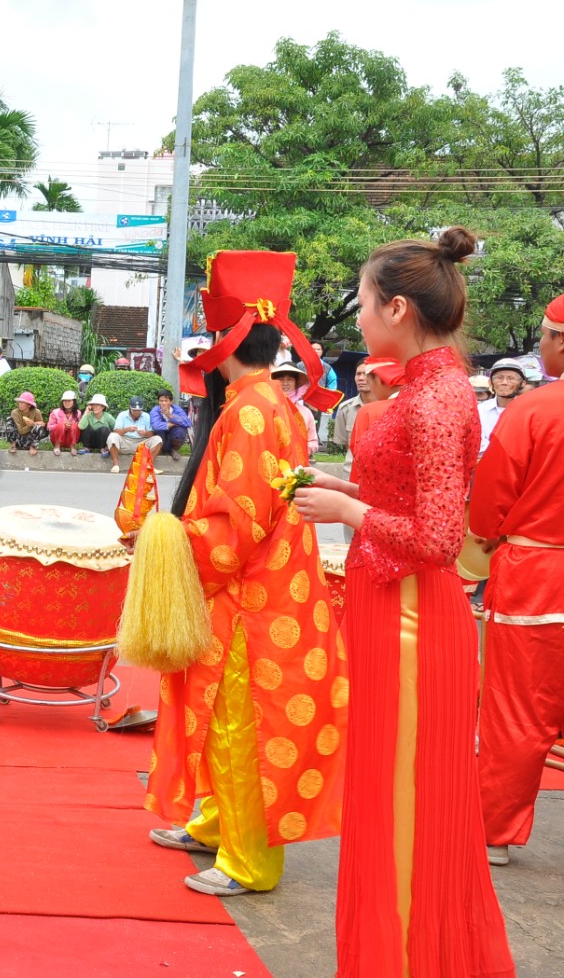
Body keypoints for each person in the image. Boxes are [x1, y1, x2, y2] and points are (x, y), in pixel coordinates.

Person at [291, 228, 514, 974]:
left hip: (415, 615)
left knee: (405, 808)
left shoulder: (436, 397)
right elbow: (409, 499)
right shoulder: (426, 387)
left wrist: (348, 515)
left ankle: (412, 958)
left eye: (359, 303)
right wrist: (345, 492)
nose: (355, 317)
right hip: (392, 607)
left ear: (394, 307)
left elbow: (440, 538)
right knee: (391, 803)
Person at [146, 249, 345, 901]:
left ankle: (248, 861)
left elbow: (237, 528)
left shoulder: (251, 410)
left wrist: (171, 544)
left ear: (227, 340)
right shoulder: (269, 403)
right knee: (219, 720)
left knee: (237, 726)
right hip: (268, 594)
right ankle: (214, 824)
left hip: (249, 604)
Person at [474, 293, 564, 870]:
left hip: (538, 575)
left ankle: (496, 832)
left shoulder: (533, 410)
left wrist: (487, 534)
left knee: (517, 711)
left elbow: (489, 501)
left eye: (544, 334)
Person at [344, 357, 404, 488]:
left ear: (378, 379)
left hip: (375, 490)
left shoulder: (369, 411)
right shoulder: (426, 406)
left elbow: (359, 457)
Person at [478, 357, 526, 457]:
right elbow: (479, 444)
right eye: (499, 377)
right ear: (491, 383)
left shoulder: (528, 411)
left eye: (511, 378)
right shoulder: (480, 410)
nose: (504, 382)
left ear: (522, 384)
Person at [270, 359, 319, 456]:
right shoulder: (268, 407)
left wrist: (298, 450)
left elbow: (313, 442)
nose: (285, 383)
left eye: (290, 379)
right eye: (281, 379)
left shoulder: (305, 412)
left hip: (298, 466)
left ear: (297, 383)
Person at [107, 396, 162, 473]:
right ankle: (116, 465)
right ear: (130, 408)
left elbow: (151, 434)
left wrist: (145, 433)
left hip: (141, 442)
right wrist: (127, 429)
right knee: (112, 436)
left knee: (158, 439)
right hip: (125, 441)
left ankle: (148, 465)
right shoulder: (122, 415)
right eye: (134, 410)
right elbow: (116, 431)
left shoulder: (146, 416)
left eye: (139, 410)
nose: (136, 412)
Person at [330, 361, 372, 458]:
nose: (361, 378)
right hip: (351, 469)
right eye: (358, 374)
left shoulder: (389, 407)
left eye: (366, 374)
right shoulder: (345, 408)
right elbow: (345, 443)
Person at [149, 389, 192, 460]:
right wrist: (171, 424)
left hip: (172, 437)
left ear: (171, 402)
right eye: (161, 401)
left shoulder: (177, 409)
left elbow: (187, 422)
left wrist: (171, 416)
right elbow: (155, 425)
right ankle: (160, 449)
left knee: (181, 430)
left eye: (166, 401)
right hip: (162, 437)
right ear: (158, 402)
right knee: (158, 430)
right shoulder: (155, 410)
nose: (163, 403)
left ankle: (173, 450)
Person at [1, 391, 47, 455]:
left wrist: (33, 424)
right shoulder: (15, 412)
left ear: (29, 405)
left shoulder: (36, 412)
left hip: (31, 439)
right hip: (18, 439)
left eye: (22, 403)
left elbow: (42, 424)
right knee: (9, 421)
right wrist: (30, 425)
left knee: (39, 427)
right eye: (19, 402)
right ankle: (13, 445)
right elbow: (21, 431)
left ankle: (33, 446)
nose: (20, 404)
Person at [47, 391, 82, 455]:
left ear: (74, 402)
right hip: (56, 438)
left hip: (70, 439)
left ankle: (72, 446)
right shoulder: (55, 412)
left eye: (69, 401)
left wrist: (71, 426)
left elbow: (81, 427)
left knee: (75, 425)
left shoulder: (78, 413)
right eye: (65, 401)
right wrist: (63, 425)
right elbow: (49, 427)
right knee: (61, 425)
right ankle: (57, 446)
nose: (66, 403)